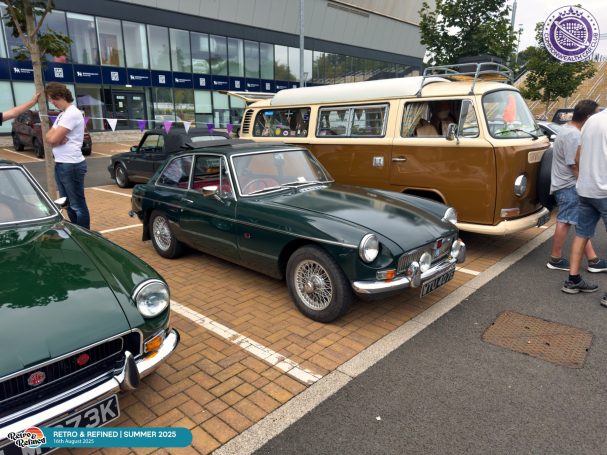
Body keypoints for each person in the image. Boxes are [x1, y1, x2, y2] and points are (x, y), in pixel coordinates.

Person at [547, 100, 606, 272]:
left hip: (565, 183)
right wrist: (585, 181)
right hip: (568, 184)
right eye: (596, 114)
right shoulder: (573, 135)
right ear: (588, 117)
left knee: (580, 226)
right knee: (565, 221)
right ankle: (556, 258)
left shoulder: (566, 129)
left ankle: (593, 260)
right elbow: (574, 164)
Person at [561, 103, 607, 301]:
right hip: (604, 189)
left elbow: (578, 156)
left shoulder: (592, 121)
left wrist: (588, 176)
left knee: (582, 234)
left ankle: (573, 280)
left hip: (586, 189)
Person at [44, 82, 90, 229]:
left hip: (71, 165)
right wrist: (54, 138)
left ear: (60, 96)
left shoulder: (72, 114)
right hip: (62, 163)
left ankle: (84, 235)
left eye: (53, 99)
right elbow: (48, 137)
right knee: (67, 204)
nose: (52, 102)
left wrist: (54, 139)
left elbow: (53, 139)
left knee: (77, 205)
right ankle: (76, 231)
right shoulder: (62, 115)